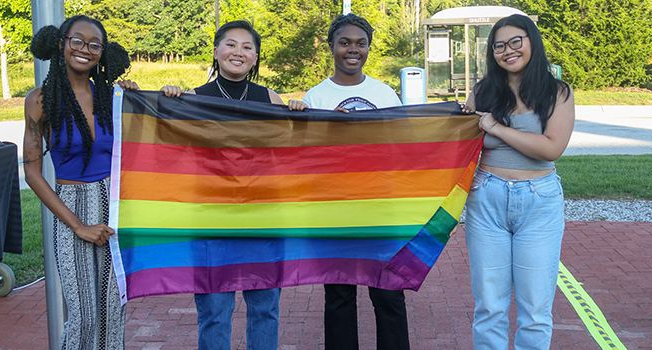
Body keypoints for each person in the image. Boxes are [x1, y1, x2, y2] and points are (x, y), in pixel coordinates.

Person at [288, 13, 410, 350]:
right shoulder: (316, 97)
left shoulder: (384, 94)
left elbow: (401, 150)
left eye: (360, 43)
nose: (352, 50)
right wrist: (313, 124)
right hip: (333, 209)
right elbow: (303, 157)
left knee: (388, 295)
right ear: (331, 47)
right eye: (345, 43)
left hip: (380, 208)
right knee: (339, 295)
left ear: (369, 48)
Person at [160, 20, 283, 350]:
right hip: (211, 220)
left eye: (247, 47)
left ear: (255, 58)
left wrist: (298, 112)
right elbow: (167, 146)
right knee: (215, 311)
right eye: (230, 45)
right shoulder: (194, 98)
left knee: (265, 309)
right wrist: (170, 102)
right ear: (216, 52)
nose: (238, 52)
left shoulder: (271, 99)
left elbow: (295, 150)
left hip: (262, 219)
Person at [460, 14, 575, 350]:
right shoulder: (482, 92)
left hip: (539, 201)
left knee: (536, 309)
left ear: (531, 43)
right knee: (490, 305)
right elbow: (460, 147)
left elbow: (551, 149)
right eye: (499, 46)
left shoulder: (557, 93)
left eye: (515, 42)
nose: (507, 51)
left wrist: (496, 128)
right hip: (486, 200)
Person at [23, 15, 136, 349]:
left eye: (94, 45)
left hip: (114, 207)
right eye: (77, 41)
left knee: (113, 312)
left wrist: (141, 93)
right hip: (71, 208)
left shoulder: (113, 96)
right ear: (61, 43)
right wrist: (79, 226)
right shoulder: (40, 100)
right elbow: (32, 171)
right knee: (84, 315)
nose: (85, 50)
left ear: (103, 53)